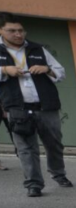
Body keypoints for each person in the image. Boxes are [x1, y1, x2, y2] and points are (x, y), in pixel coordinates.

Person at [0, 13, 70, 197]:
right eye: (12, 30)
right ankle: (34, 184)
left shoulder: (37, 49)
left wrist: (47, 69)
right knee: (26, 148)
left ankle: (58, 174)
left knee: (54, 144)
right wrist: (4, 70)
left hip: (46, 106)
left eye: (20, 30)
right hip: (17, 108)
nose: (18, 34)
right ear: (1, 31)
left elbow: (61, 72)